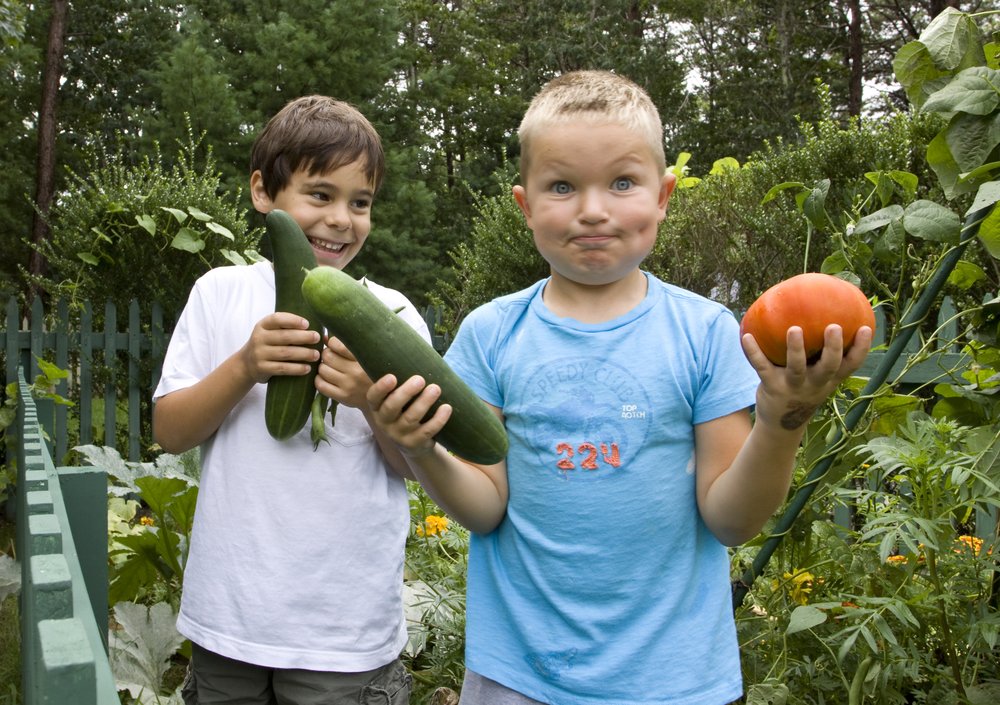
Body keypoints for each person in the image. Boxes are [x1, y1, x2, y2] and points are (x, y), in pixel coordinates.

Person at [361, 71, 872, 704]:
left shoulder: (706, 333)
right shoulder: (492, 333)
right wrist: (420, 448)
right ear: (525, 206)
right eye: (562, 186)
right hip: (518, 676)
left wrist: (783, 420)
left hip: (675, 680)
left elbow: (732, 521)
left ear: (663, 195)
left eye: (622, 183)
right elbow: (484, 509)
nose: (593, 208)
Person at [153, 95, 423, 705]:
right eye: (320, 195)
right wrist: (246, 365)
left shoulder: (393, 316)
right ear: (263, 193)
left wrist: (369, 398)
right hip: (230, 615)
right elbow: (170, 431)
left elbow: (412, 464)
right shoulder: (220, 293)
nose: (341, 219)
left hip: (343, 631)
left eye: (361, 202)